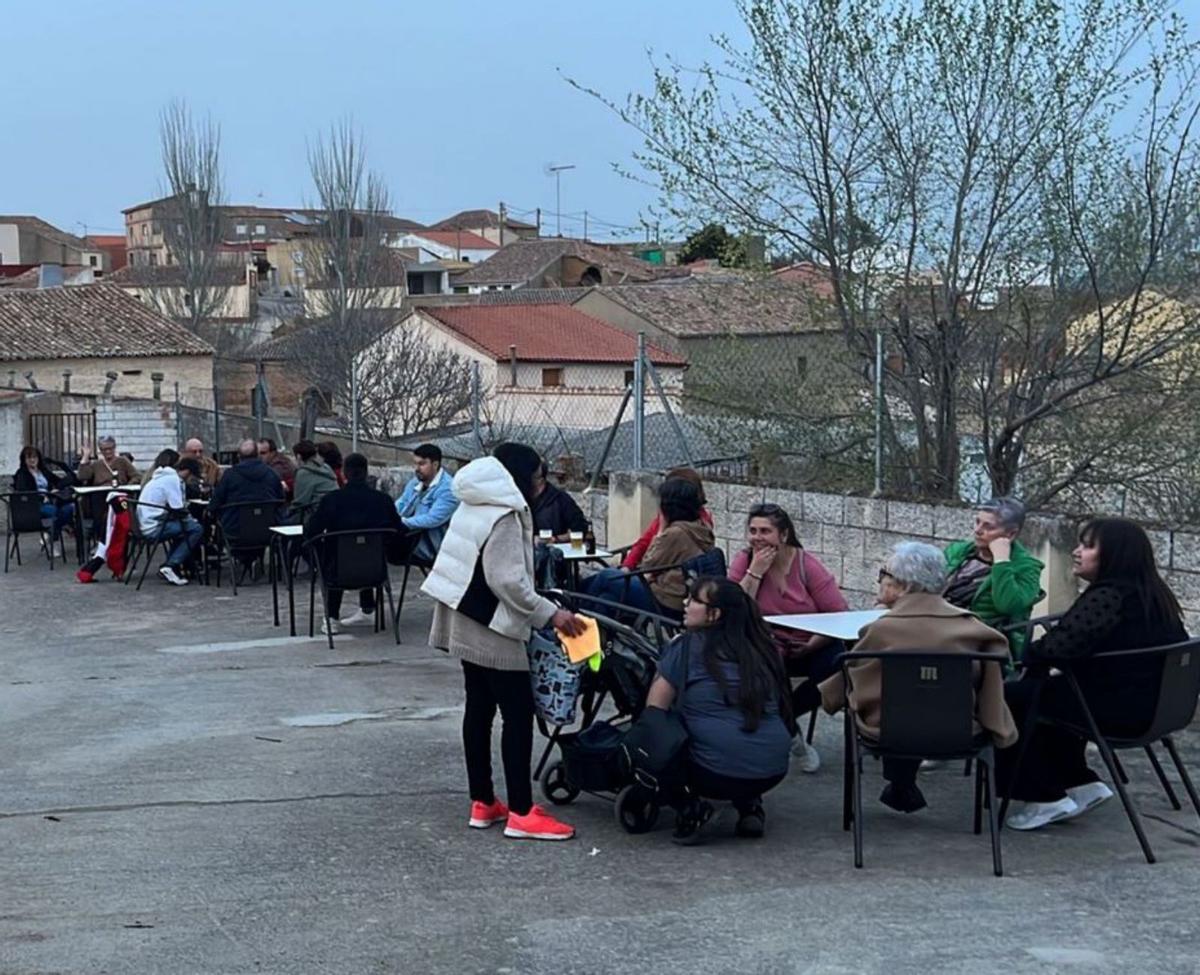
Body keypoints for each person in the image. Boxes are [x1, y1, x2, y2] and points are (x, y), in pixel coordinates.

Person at [422, 441, 586, 842]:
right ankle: (521, 811)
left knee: (478, 708)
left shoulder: (475, 499)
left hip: (463, 614)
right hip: (492, 625)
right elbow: (507, 580)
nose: (538, 485)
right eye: (536, 478)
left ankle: (483, 801)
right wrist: (552, 614)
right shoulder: (507, 515)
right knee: (518, 713)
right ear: (521, 477)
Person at [998, 518, 1188, 831]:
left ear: (1114, 555)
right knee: (1045, 694)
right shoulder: (1153, 594)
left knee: (1008, 698)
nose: (1076, 552)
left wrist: (1027, 656)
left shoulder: (1108, 596)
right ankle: (1078, 782)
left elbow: (1056, 647)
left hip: (1118, 711)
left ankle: (1042, 796)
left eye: (1087, 546)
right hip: (1155, 708)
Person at [811, 542, 1017, 814]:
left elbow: (852, 677)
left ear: (903, 585)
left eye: (885, 575)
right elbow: (993, 682)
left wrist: (829, 696)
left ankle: (899, 785)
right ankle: (903, 786)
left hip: (887, 731)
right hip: (962, 731)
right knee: (924, 697)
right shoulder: (975, 629)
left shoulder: (881, 630)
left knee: (895, 698)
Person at [646, 577, 795, 844]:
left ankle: (690, 808)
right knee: (735, 729)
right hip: (773, 769)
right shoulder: (764, 647)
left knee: (651, 737)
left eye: (693, 600)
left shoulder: (687, 647)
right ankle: (750, 806)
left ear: (714, 614)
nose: (685, 603)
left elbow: (654, 709)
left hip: (713, 772)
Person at [728, 502, 848, 773]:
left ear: (783, 535)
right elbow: (734, 609)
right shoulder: (744, 561)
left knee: (839, 663)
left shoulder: (806, 564)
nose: (758, 537)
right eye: (753, 530)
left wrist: (815, 642)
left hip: (812, 642)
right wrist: (755, 572)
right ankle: (790, 733)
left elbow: (837, 612)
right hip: (768, 643)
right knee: (766, 664)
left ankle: (783, 720)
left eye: (765, 531)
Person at [581, 478, 715, 616]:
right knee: (606, 599)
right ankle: (596, 631)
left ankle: (577, 612)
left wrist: (661, 530)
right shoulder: (700, 526)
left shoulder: (676, 533)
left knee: (605, 576)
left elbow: (648, 564)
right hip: (679, 594)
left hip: (665, 600)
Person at [304, 452, 405, 632]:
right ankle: (368, 609)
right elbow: (399, 530)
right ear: (366, 473)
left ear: (343, 474)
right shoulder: (383, 500)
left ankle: (332, 617)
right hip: (376, 571)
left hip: (337, 572)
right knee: (365, 548)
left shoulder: (331, 500)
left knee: (334, 551)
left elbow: (311, 531)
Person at [943, 497, 1043, 655]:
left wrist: (1001, 561)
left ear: (1010, 534)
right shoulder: (959, 551)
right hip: (943, 628)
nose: (977, 530)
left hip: (987, 644)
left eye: (988, 527)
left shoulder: (1027, 567)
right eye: (977, 522)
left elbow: (1008, 605)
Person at [621, 467, 714, 570]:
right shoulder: (701, 522)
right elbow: (644, 542)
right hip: (663, 575)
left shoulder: (678, 529)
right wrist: (627, 565)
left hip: (663, 580)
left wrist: (661, 530)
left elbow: (650, 563)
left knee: (606, 576)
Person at [211, 439, 284, 566]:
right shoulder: (272, 474)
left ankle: (245, 560)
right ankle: (254, 559)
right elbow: (280, 500)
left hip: (235, 531)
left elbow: (215, 503)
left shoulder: (230, 475)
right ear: (257, 455)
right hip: (268, 531)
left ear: (239, 456)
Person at [137, 448, 204, 586]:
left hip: (145, 524)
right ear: (187, 472)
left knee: (184, 530)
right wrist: (192, 520)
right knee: (196, 529)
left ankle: (171, 564)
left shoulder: (158, 478)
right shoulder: (172, 480)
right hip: (154, 528)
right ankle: (171, 564)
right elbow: (178, 509)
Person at [392, 443, 459, 564]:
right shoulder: (415, 482)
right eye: (415, 463)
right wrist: (389, 518)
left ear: (435, 464)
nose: (417, 468)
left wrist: (400, 523)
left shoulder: (448, 489)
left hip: (429, 546)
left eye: (422, 464)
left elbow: (432, 519)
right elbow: (401, 504)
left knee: (379, 546)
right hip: (409, 538)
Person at [13, 444, 75, 541]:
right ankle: (54, 536)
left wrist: (62, 466)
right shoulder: (21, 474)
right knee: (54, 511)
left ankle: (51, 534)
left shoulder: (43, 471)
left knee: (71, 508)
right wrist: (43, 497)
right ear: (24, 460)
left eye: (34, 457)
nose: (32, 460)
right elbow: (24, 494)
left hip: (52, 500)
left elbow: (60, 482)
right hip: (35, 506)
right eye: (29, 458)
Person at [529, 461, 587, 542]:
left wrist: (555, 539)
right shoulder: (521, 498)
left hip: (554, 550)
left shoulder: (560, 499)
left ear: (540, 480)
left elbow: (580, 529)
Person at [290, 440, 338, 526]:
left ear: (299, 457)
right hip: (335, 514)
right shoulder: (326, 468)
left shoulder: (303, 473)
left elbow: (300, 502)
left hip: (314, 518)